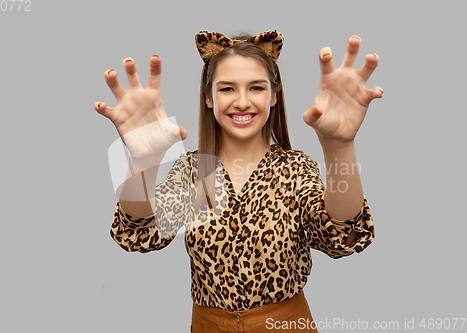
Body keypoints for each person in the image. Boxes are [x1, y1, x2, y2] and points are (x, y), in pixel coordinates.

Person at [94, 30, 382, 333]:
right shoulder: (193, 171)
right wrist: (142, 160)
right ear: (208, 97)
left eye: (256, 87)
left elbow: (341, 234)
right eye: (227, 89)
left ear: (273, 96)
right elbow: (140, 227)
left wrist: (340, 147)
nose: (242, 102)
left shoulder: (295, 168)